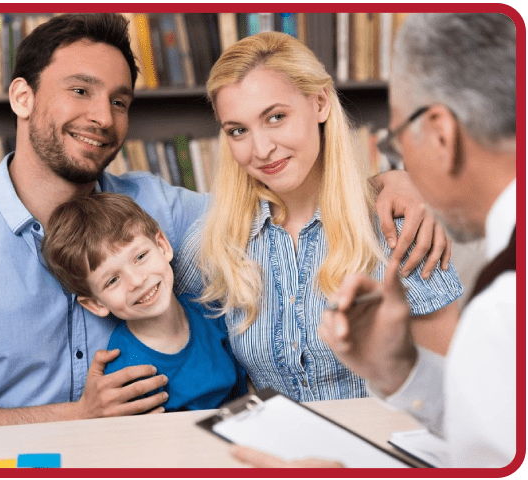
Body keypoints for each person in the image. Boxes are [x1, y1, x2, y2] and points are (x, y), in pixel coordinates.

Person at [0, 12, 450, 436]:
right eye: (80, 90)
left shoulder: (166, 216)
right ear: (22, 97)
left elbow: (284, 198)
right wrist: (76, 415)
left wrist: (394, 183)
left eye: (119, 100)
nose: (101, 116)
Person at [239, 12, 517, 468]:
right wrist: (401, 371)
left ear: (442, 135)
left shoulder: (501, 307)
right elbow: (492, 432)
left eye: (396, 142)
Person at [174, 30, 462, 406]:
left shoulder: (401, 228)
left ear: (320, 103)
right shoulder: (213, 243)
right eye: (238, 130)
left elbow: (452, 394)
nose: (261, 149)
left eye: (276, 117)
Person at [42, 192, 247, 411]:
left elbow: (247, 389)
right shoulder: (126, 373)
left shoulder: (212, 311)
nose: (137, 281)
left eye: (140, 257)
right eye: (112, 280)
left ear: (162, 246)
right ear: (96, 304)